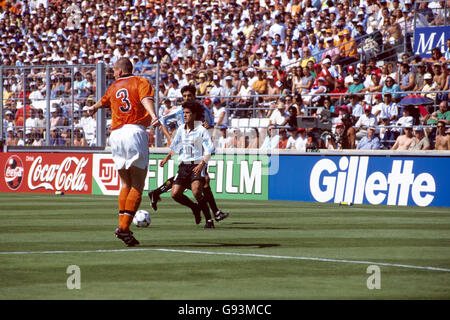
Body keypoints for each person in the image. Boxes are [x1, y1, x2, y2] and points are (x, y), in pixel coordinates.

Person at [87, 57, 159, 247]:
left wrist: (93, 108)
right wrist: (153, 116)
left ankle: (123, 227)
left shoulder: (114, 87)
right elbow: (145, 99)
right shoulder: (140, 81)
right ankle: (124, 228)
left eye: (114, 70)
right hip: (134, 131)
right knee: (137, 184)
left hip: (116, 134)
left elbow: (103, 102)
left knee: (125, 183)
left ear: (119, 71)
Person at [148, 85, 229, 223]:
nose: (186, 98)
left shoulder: (202, 111)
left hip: (199, 149)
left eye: (189, 96)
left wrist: (208, 128)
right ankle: (214, 213)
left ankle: (211, 215)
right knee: (193, 185)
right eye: (184, 96)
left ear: (194, 96)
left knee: (202, 184)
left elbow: (210, 126)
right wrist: (169, 139)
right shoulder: (178, 112)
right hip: (183, 146)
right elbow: (161, 121)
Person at [159, 101, 216, 229]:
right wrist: (166, 158)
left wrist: (201, 165)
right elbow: (176, 146)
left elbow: (210, 150)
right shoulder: (181, 130)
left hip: (197, 164)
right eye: (184, 113)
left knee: (196, 192)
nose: (185, 115)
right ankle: (195, 208)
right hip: (184, 165)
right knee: (175, 194)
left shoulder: (201, 130)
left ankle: (209, 220)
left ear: (194, 114)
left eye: (188, 113)